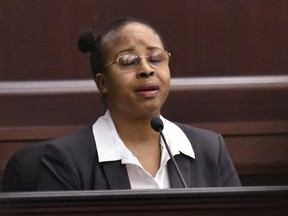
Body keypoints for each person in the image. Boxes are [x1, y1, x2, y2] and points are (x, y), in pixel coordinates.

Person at [35, 17, 241, 190]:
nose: (146, 69)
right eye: (128, 61)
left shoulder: (210, 149)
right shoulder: (67, 160)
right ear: (103, 82)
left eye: (155, 58)